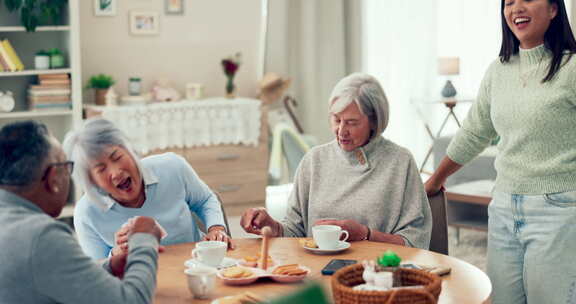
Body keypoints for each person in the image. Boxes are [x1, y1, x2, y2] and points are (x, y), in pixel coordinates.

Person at [425, 0, 576, 303]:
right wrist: (434, 179)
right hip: (504, 206)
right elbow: (474, 131)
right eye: (508, 2)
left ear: (554, 9)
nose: (515, 8)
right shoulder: (498, 70)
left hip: (557, 210)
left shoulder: (571, 68)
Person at [241, 73, 432, 249]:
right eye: (336, 119)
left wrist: (365, 234)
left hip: (377, 273)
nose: (341, 131)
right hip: (317, 272)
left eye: (352, 122)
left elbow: (416, 241)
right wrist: (272, 226)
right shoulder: (313, 161)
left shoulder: (400, 162)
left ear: (374, 120)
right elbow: (295, 232)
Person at [0, 121, 162, 304]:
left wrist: (107, 267)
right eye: (67, 167)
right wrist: (143, 239)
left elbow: (47, 272)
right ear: (54, 179)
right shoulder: (41, 236)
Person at [64, 118, 231, 260]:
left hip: (197, 266)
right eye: (101, 169)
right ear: (91, 182)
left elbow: (205, 199)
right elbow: (98, 275)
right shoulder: (87, 213)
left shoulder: (172, 166)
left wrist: (216, 228)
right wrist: (117, 254)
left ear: (130, 150)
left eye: (117, 157)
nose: (116, 173)